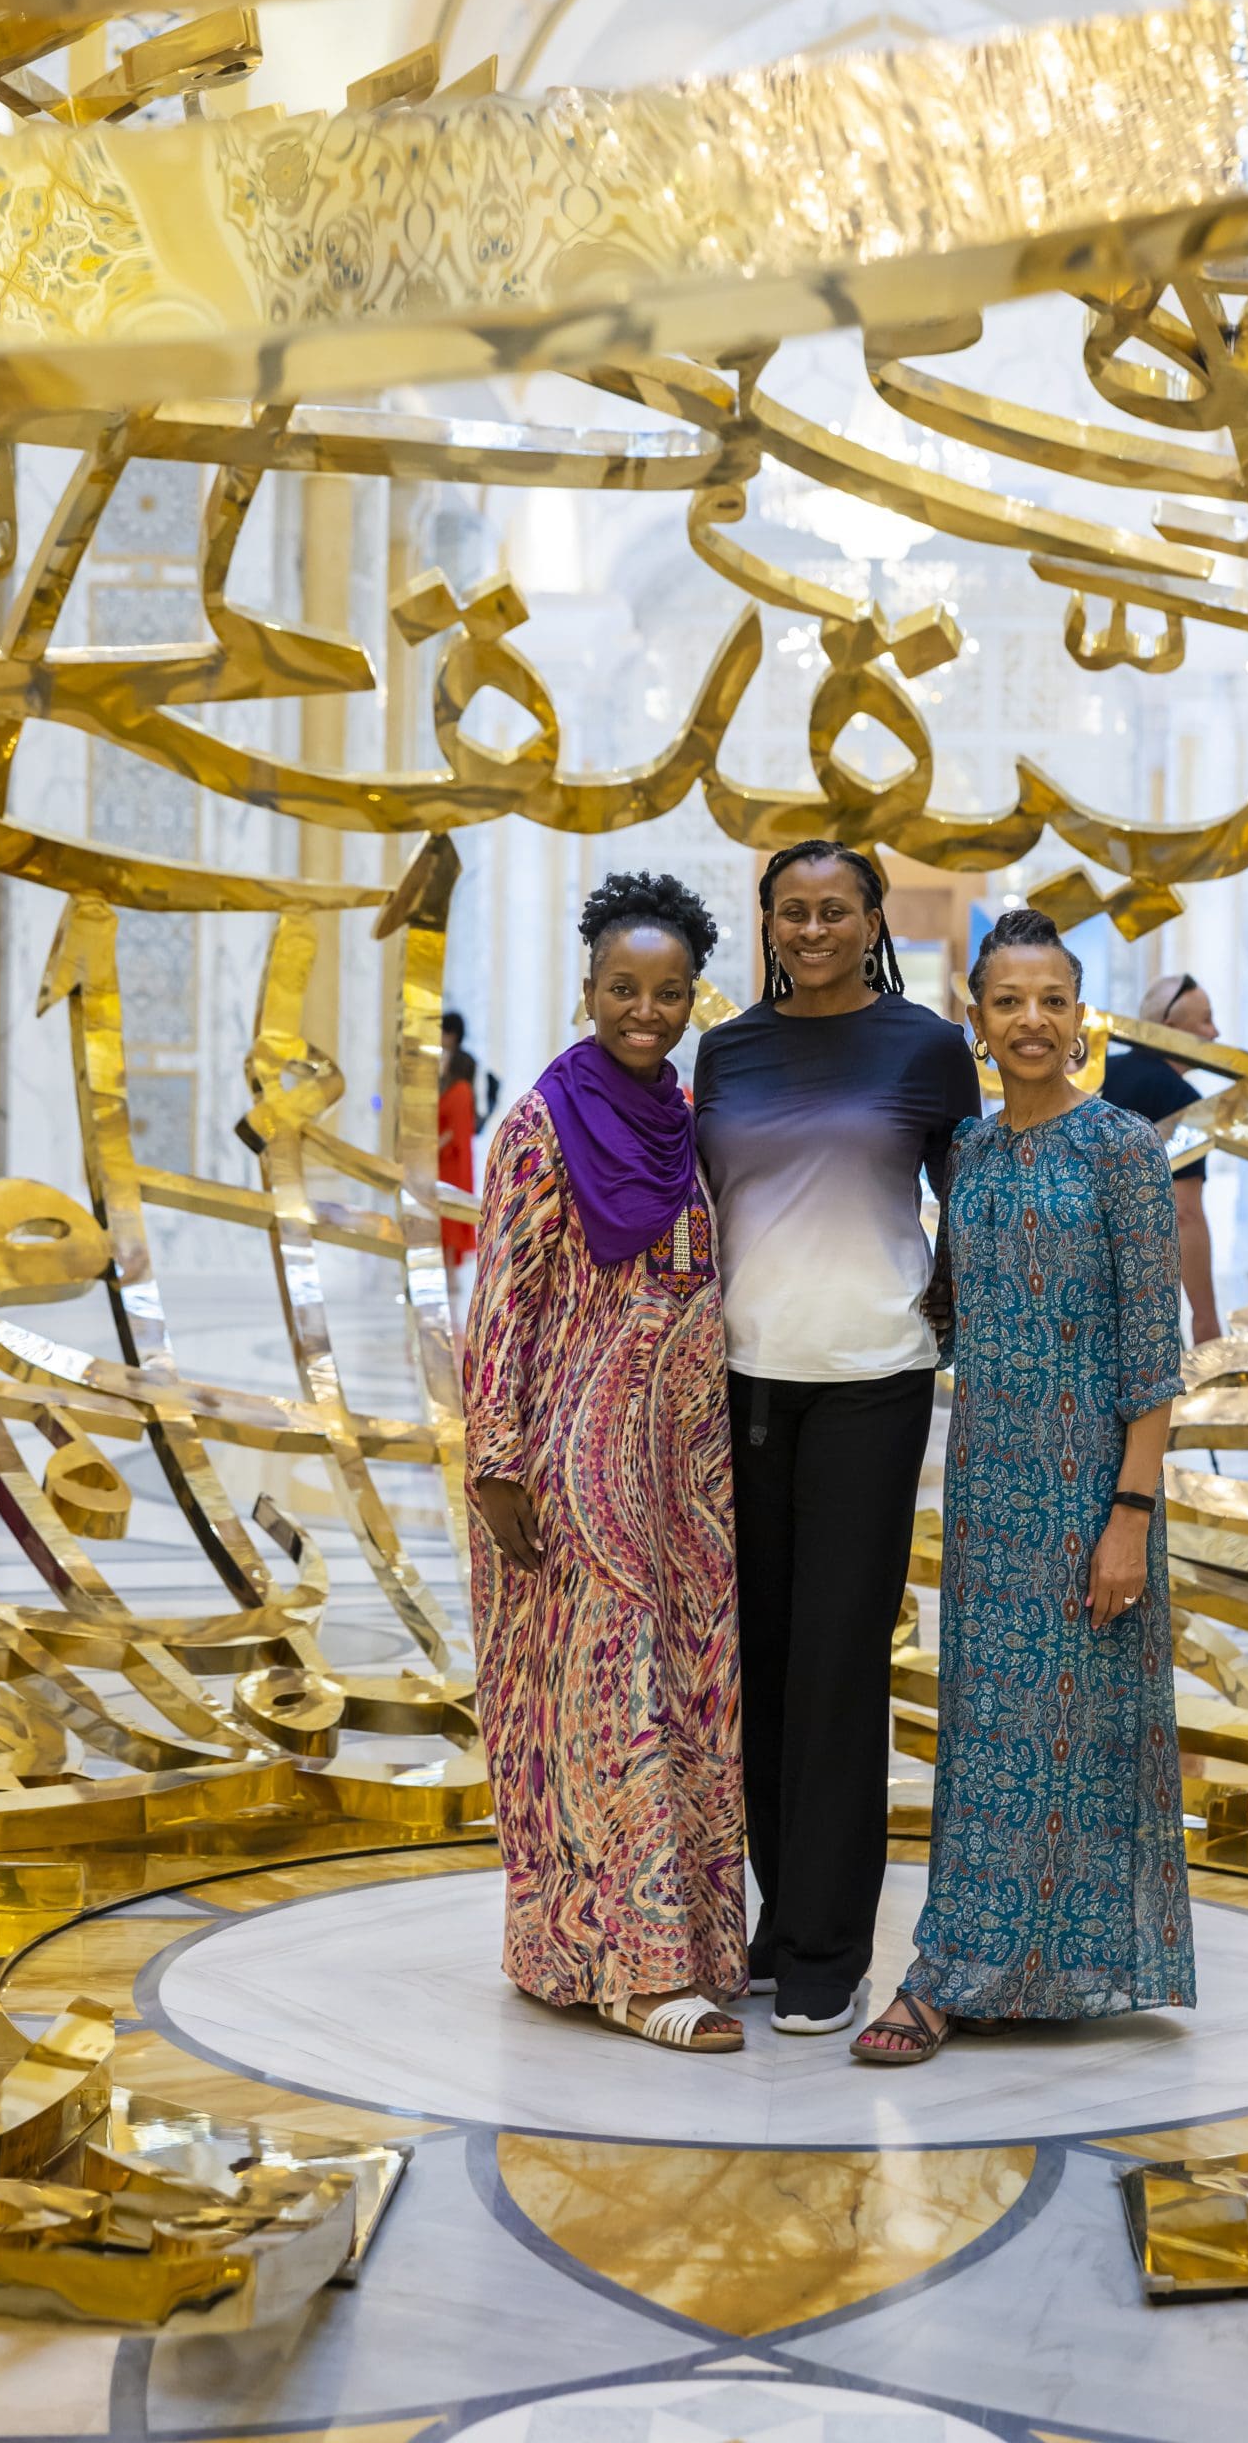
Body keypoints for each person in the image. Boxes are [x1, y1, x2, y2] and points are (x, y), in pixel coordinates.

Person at [857, 906, 1195, 2063]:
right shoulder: (973, 1155)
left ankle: (960, 1973)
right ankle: (990, 1964)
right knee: (992, 1738)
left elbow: (1155, 1349)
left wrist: (1128, 1517)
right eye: (1009, 1001)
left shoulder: (1123, 1150)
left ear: (1081, 1013)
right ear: (977, 1018)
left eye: (1052, 999)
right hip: (991, 1493)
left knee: (1078, 1738)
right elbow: (950, 1304)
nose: (1032, 1020)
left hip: (1095, 1496)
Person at [693, 840, 981, 2035]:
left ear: (873, 923)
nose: (810, 930)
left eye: (834, 911)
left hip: (870, 1381)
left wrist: (950, 1309)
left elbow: (969, 1199)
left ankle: (829, 1946)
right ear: (764, 923)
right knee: (757, 1667)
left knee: (838, 1668)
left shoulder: (924, 1047)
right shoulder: (726, 1050)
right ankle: (776, 1912)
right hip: (743, 1383)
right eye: (790, 912)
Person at [462, 872, 746, 2053]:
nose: (645, 1008)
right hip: (573, 1468)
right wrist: (495, 1455)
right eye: (622, 988)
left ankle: (682, 1943)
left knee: (688, 1700)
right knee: (605, 1702)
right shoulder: (542, 1121)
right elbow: (503, 1297)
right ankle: (632, 1972)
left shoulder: (686, 1123)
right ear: (585, 989)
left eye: (668, 990)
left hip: (687, 1471)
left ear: (692, 998)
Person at [1102, 971, 1222, 1344]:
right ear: (1170, 1027)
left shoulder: (1100, 1072)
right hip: (1139, 1292)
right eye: (1205, 1019)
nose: (1214, 1033)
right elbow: (1184, 1213)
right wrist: (1205, 1318)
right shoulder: (1182, 1099)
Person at [439, 1016, 478, 1297]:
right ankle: (446, 1273)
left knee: (449, 1216)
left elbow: (455, 1130)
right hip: (446, 1161)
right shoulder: (454, 1089)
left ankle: (450, 1276)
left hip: (451, 1162)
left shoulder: (460, 1091)